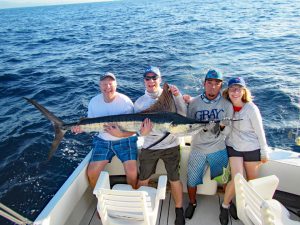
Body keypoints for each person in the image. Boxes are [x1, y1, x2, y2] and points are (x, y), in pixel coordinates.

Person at [134, 66, 186, 225]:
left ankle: (179, 210)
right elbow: (137, 131)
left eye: (154, 78)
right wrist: (143, 133)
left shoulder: (171, 96)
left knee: (175, 179)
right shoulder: (139, 103)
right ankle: (138, 208)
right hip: (150, 147)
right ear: (144, 81)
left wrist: (178, 96)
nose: (151, 81)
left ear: (160, 79)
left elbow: (183, 116)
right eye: (147, 78)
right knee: (143, 179)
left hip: (171, 146)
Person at [72, 72, 138, 188]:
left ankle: (132, 196)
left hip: (125, 140)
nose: (107, 87)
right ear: (99, 86)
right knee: (92, 173)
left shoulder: (125, 101)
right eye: (104, 84)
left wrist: (120, 134)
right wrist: (81, 129)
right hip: (103, 141)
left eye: (110, 84)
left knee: (132, 172)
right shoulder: (93, 102)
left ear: (116, 85)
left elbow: (134, 130)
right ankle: (99, 200)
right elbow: (92, 125)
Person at [184, 69, 234, 220]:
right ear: (204, 83)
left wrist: (220, 131)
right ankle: (192, 203)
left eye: (216, 84)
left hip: (218, 148)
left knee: (224, 180)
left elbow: (228, 129)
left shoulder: (227, 105)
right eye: (210, 83)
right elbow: (188, 126)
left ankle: (227, 204)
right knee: (192, 180)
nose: (213, 87)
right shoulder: (193, 103)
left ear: (221, 86)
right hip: (197, 148)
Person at [219, 77, 269, 225]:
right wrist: (222, 126)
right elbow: (225, 133)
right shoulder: (226, 107)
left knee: (252, 181)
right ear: (227, 92)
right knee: (237, 177)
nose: (235, 92)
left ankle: (251, 208)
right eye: (232, 89)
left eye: (238, 89)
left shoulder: (251, 108)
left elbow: (260, 132)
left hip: (251, 147)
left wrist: (264, 152)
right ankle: (225, 206)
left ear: (243, 91)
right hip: (233, 146)